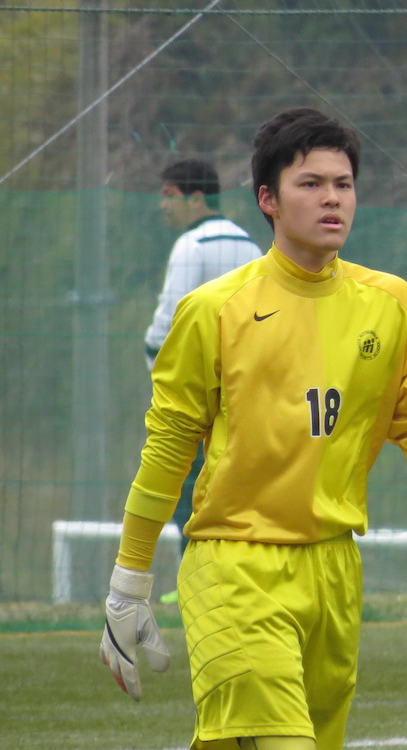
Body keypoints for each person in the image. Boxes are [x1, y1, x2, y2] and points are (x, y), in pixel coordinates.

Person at [100, 107, 407, 750]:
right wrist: (129, 582)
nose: (332, 197)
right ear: (268, 199)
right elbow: (167, 450)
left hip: (336, 569)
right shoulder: (213, 310)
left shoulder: (392, 304)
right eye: (310, 183)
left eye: (343, 183)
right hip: (234, 566)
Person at [143, 159, 262, 602]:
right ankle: (237, 577)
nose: (162, 206)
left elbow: (168, 321)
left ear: (196, 198)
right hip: (244, 393)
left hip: (195, 393)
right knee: (238, 486)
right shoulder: (250, 245)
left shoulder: (190, 245)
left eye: (169, 196)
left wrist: (158, 372)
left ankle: (192, 581)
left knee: (189, 485)